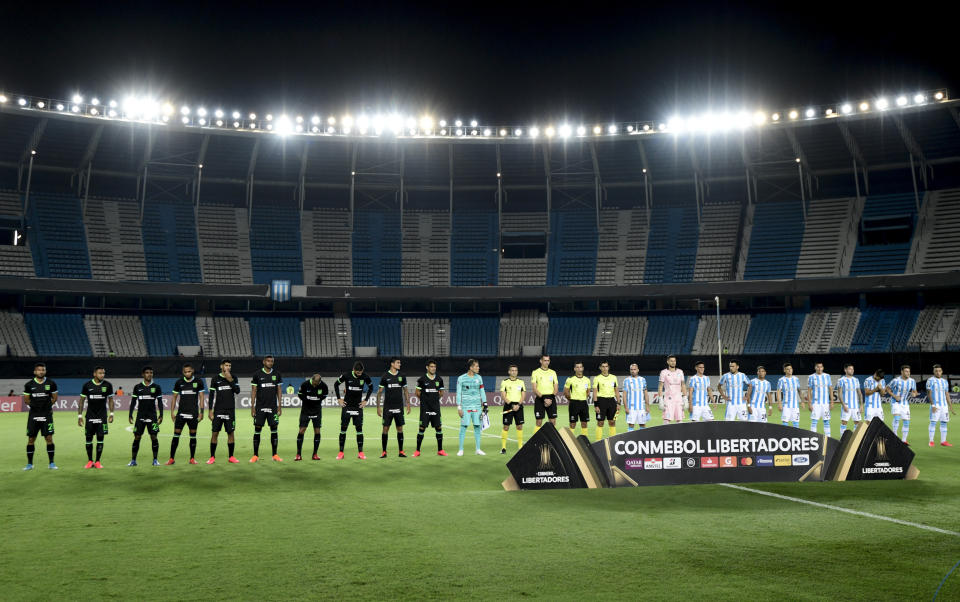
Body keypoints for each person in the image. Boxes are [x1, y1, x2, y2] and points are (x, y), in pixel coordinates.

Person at [166, 363, 204, 465]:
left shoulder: (198, 382)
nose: (187, 373)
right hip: (181, 414)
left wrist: (202, 412)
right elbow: (174, 397)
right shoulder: (179, 382)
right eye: (185, 372)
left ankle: (192, 458)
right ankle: (171, 459)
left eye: (189, 371)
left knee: (193, 436)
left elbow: (201, 397)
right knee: (176, 435)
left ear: (193, 371)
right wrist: (172, 412)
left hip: (193, 414)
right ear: (183, 372)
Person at [335, 361, 374, 459]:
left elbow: (371, 387)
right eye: (357, 373)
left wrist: (365, 400)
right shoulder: (346, 376)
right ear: (354, 370)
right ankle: (341, 453)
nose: (359, 374)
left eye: (360, 373)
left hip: (358, 407)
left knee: (359, 430)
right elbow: (336, 384)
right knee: (343, 429)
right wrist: (339, 398)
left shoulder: (365, 377)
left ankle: (360, 453)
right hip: (347, 406)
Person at [22, 362, 58, 470]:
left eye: (43, 370)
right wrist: (37, 407)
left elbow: (54, 398)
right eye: (39, 370)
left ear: (45, 371)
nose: (41, 372)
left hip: (46, 415)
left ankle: (51, 463)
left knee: (49, 438)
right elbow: (26, 400)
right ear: (35, 371)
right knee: (31, 439)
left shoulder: (51, 383)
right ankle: (29, 464)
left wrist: (46, 407)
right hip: (34, 415)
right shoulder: (29, 385)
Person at [77, 366, 115, 469]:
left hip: (102, 417)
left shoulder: (108, 385)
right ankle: (90, 461)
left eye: (103, 373)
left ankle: (97, 461)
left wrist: (112, 414)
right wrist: (79, 416)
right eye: (100, 373)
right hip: (89, 416)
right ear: (94, 374)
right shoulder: (87, 385)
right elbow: (81, 400)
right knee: (88, 439)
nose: (102, 375)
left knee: (100, 439)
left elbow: (110, 400)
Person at [250, 355, 283, 462]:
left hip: (273, 407)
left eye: (272, 361)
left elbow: (279, 390)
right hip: (260, 407)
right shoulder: (257, 374)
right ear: (264, 362)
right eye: (268, 361)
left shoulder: (277, 374)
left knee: (274, 429)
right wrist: (252, 407)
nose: (270, 363)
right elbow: (254, 391)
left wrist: (279, 406)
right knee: (257, 429)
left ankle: (275, 455)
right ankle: (255, 455)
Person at [128, 366, 163, 467]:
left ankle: (155, 460)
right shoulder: (137, 387)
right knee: (137, 437)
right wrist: (130, 414)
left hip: (152, 416)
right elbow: (133, 401)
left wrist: (161, 415)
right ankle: (133, 460)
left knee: (154, 437)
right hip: (140, 416)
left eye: (151, 372)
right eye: (147, 373)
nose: (149, 374)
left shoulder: (156, 387)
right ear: (143, 374)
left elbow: (160, 402)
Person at [207, 360, 241, 464]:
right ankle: (212, 457)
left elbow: (237, 391)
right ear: (221, 366)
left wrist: (230, 379)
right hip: (218, 410)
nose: (228, 367)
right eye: (226, 365)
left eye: (230, 365)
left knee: (231, 433)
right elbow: (212, 395)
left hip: (230, 411)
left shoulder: (234, 377)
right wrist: (210, 411)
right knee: (215, 433)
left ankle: (231, 457)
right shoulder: (215, 378)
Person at [377, 357, 411, 458]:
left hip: (399, 407)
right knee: (385, 428)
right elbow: (379, 392)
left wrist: (408, 404)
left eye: (400, 363)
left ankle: (401, 451)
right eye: (398, 363)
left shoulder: (402, 376)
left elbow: (405, 390)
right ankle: (384, 452)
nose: (400, 364)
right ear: (392, 364)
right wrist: (378, 407)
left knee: (400, 428)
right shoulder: (385, 376)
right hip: (388, 407)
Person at [414, 360, 446, 457]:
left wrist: (434, 400)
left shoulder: (439, 379)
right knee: (422, 428)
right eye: (431, 366)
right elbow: (417, 393)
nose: (433, 368)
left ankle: (440, 450)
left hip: (436, 408)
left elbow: (441, 393)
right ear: (427, 367)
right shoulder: (422, 379)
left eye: (434, 367)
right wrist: (424, 400)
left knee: (439, 428)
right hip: (425, 408)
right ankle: (417, 451)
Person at [456, 359, 486, 456]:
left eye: (478, 366)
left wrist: (485, 403)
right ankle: (461, 449)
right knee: (463, 427)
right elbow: (458, 393)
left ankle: (478, 449)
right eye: (476, 366)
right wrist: (459, 407)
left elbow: (482, 391)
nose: (478, 368)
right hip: (465, 407)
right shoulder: (461, 378)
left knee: (477, 427)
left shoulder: (479, 378)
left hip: (477, 406)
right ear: (471, 367)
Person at [296, 372, 328, 461]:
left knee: (317, 431)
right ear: (312, 380)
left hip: (317, 411)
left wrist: (317, 399)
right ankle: (298, 454)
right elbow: (300, 394)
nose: (315, 385)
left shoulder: (323, 386)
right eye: (314, 383)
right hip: (305, 410)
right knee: (302, 430)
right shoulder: (305, 384)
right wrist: (307, 400)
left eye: (317, 384)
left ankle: (315, 454)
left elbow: (325, 395)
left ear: (319, 382)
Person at [500, 364, 526, 454]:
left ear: (517, 372)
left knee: (519, 426)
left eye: (515, 370)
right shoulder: (505, 382)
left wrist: (518, 404)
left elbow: (523, 395)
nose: (514, 372)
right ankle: (503, 448)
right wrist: (511, 404)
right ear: (509, 372)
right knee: (506, 426)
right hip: (508, 406)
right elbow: (503, 395)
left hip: (519, 406)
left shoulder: (521, 382)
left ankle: (520, 447)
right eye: (512, 370)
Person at [927, 364, 954, 447]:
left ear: (942, 371)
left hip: (944, 406)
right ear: (933, 372)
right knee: (933, 422)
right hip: (936, 405)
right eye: (936, 371)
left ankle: (943, 441)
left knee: (944, 422)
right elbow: (929, 393)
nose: (938, 372)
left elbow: (947, 394)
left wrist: (950, 406)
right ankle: (931, 441)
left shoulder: (945, 381)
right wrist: (933, 405)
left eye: (939, 371)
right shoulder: (930, 380)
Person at [889, 364, 917, 444]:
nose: (908, 373)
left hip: (905, 404)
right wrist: (894, 396)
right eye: (906, 371)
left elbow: (915, 391)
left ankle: (904, 440)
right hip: (895, 402)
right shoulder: (896, 380)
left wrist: (914, 394)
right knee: (897, 418)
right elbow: (887, 389)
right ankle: (895, 436)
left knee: (906, 422)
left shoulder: (912, 381)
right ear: (902, 372)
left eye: (909, 371)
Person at [531, 354, 558, 433]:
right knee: (539, 422)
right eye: (545, 360)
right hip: (540, 398)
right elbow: (534, 389)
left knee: (553, 422)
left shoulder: (553, 372)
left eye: (548, 360)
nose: (546, 362)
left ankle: (552, 441)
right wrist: (544, 399)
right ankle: (536, 441)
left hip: (551, 398)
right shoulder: (535, 372)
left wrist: (550, 399)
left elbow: (556, 388)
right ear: (541, 361)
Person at [563, 362, 591, 437]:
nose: (579, 369)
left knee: (584, 423)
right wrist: (571, 400)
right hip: (574, 403)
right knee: (573, 423)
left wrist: (584, 396)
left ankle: (585, 440)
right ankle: (570, 440)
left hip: (584, 403)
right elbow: (565, 392)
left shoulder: (587, 380)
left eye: (580, 367)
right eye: (577, 367)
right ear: (574, 369)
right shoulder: (570, 379)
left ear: (583, 368)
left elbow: (588, 392)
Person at [592, 361, 619, 440]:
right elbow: (595, 392)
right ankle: (598, 441)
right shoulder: (597, 378)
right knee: (600, 422)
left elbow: (616, 391)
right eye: (603, 366)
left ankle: (613, 441)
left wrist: (618, 403)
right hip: (601, 401)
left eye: (606, 366)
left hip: (612, 401)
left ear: (608, 367)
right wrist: (596, 405)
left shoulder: (614, 377)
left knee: (612, 422)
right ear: (600, 368)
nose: (604, 368)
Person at [806, 362, 833, 437]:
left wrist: (832, 402)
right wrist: (809, 403)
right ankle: (813, 437)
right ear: (815, 368)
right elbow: (809, 391)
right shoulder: (811, 377)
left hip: (825, 404)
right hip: (815, 403)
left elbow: (830, 389)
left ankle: (828, 438)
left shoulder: (827, 376)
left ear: (823, 368)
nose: (819, 368)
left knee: (826, 421)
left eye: (821, 367)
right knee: (814, 421)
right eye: (818, 367)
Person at [835, 363, 863, 434]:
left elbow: (859, 393)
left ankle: (854, 438)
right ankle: (842, 438)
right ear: (845, 370)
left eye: (853, 369)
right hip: (846, 405)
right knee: (844, 422)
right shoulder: (841, 380)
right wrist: (843, 405)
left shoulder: (856, 380)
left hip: (855, 406)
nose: (852, 370)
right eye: (850, 369)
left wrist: (861, 405)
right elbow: (840, 394)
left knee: (857, 423)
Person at [658, 355, 686, 423]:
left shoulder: (680, 372)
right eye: (671, 361)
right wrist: (660, 399)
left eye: (674, 361)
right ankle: (666, 433)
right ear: (668, 362)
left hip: (678, 399)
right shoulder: (663, 372)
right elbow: (660, 386)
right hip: (668, 400)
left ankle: (679, 433)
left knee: (679, 420)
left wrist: (685, 398)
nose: (673, 362)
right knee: (667, 419)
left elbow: (683, 385)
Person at [621, 363, 649, 431]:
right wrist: (626, 407)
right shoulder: (626, 380)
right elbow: (624, 395)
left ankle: (642, 440)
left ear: (638, 370)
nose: (633, 371)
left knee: (642, 425)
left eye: (634, 369)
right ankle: (631, 440)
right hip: (631, 407)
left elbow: (645, 393)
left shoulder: (643, 380)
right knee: (631, 425)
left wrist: (647, 406)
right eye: (631, 369)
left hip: (641, 407)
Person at [777, 362, 801, 428]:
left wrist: (802, 401)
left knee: (796, 423)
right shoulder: (781, 380)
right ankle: (786, 437)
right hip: (786, 405)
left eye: (791, 368)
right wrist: (779, 404)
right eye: (788, 369)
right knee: (785, 423)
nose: (790, 370)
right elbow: (778, 392)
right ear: (784, 370)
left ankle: (796, 436)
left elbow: (799, 390)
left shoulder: (796, 379)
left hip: (795, 406)